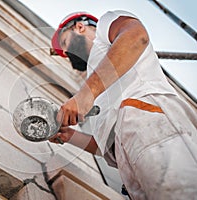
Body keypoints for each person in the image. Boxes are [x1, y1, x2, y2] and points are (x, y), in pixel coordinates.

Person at [49, 10, 197, 199]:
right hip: (130, 162)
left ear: (79, 26)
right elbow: (110, 144)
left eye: (64, 43)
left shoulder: (106, 26)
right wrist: (68, 135)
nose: (68, 55)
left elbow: (136, 37)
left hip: (148, 119)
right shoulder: (99, 76)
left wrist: (86, 95)